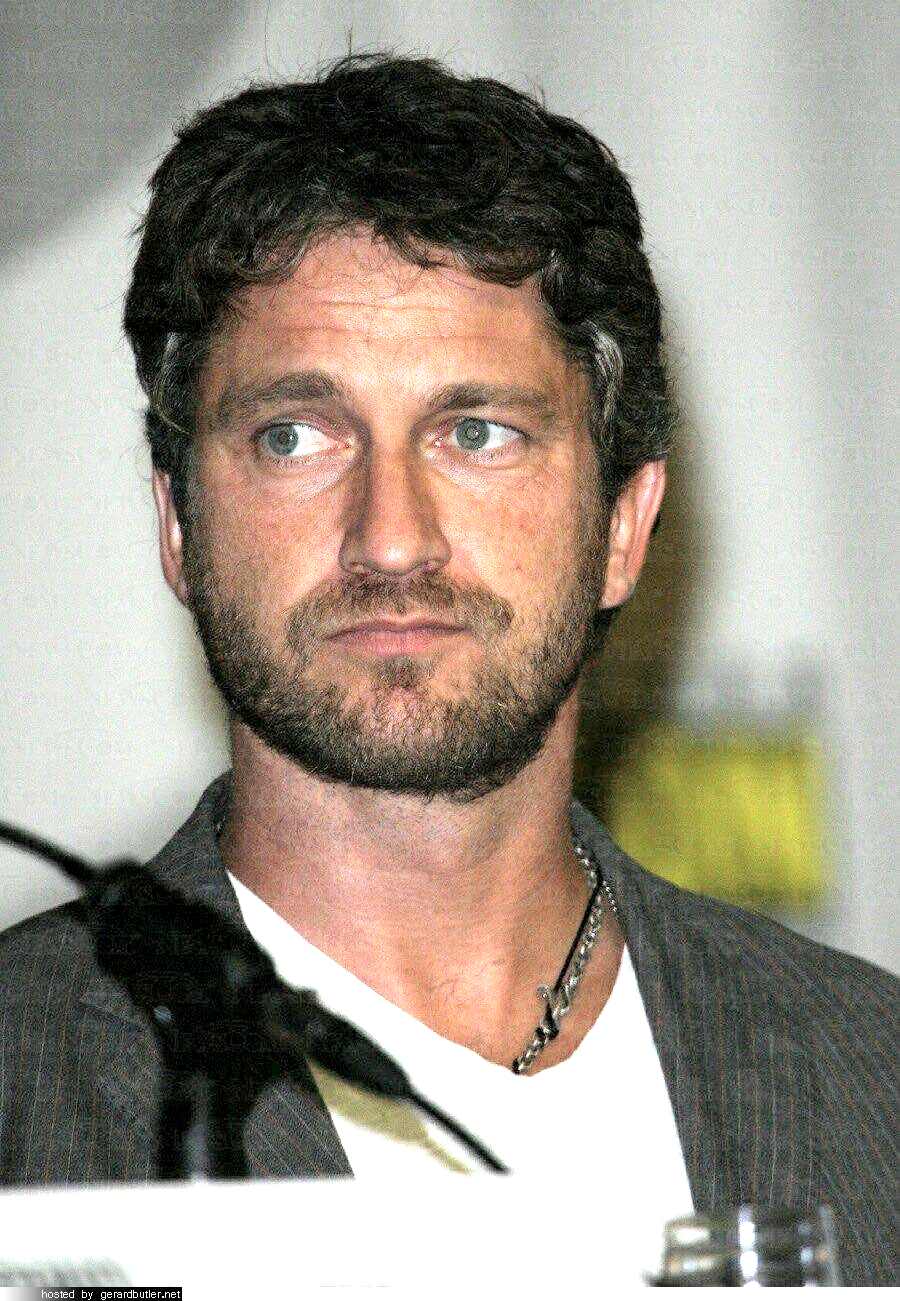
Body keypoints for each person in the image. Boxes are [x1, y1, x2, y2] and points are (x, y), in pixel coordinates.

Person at [0, 54, 895, 1285]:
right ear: (177, 523)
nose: (391, 536)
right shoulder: (21, 1077)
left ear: (624, 524)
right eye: (295, 436)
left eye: (478, 433)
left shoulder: (870, 1071)